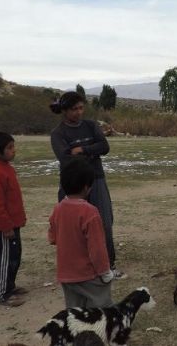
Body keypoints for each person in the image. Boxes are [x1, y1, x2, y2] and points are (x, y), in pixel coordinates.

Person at [50, 92, 124, 279]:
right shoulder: (58, 133)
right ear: (65, 111)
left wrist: (83, 150)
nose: (78, 112)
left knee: (104, 222)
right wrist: (92, 153)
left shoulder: (91, 125)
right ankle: (77, 266)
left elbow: (104, 147)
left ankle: (108, 264)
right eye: (74, 109)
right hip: (72, 184)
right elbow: (65, 158)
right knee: (71, 226)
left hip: (96, 179)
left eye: (81, 108)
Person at [48, 158, 114, 308]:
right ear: (87, 187)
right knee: (101, 310)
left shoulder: (58, 209)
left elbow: (52, 237)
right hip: (88, 275)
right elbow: (97, 248)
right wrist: (105, 271)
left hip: (66, 274)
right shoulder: (90, 212)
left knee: (75, 312)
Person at [0, 131, 27, 307]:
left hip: (14, 223)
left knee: (15, 256)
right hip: (6, 227)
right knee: (6, 258)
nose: (13, 150)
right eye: (9, 148)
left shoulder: (7, 168)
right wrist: (5, 226)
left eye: (13, 146)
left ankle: (10, 285)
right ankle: (2, 293)